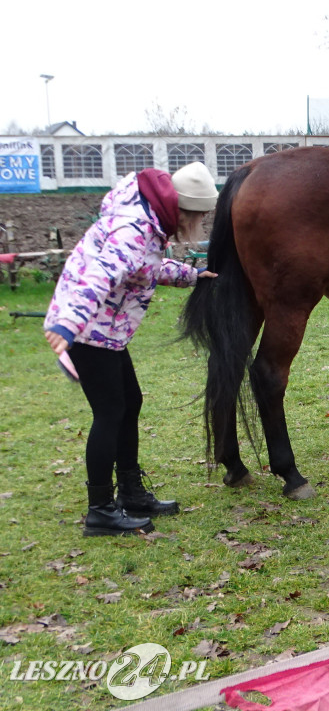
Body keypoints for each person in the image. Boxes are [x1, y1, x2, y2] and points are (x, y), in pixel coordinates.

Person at [43, 162, 219, 537]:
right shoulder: (134, 230)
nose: (201, 224)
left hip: (105, 331)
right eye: (202, 216)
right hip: (87, 331)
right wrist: (68, 324)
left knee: (129, 402)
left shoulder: (149, 221)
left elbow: (145, 269)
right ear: (187, 211)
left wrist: (192, 274)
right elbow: (101, 275)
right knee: (110, 412)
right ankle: (101, 511)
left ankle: (131, 494)